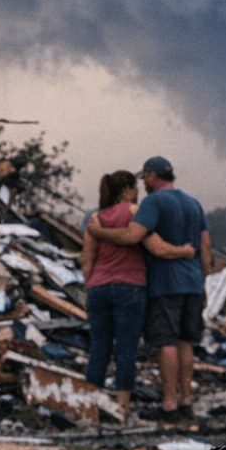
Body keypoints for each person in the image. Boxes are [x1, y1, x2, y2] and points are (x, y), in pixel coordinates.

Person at [87, 156, 210, 419]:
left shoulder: (152, 202)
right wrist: (204, 282)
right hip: (193, 283)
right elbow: (206, 249)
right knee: (186, 341)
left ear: (152, 177)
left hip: (165, 284)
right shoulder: (194, 203)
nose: (142, 185)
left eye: (144, 179)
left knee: (166, 341)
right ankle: (186, 402)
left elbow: (133, 236)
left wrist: (99, 233)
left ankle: (169, 406)